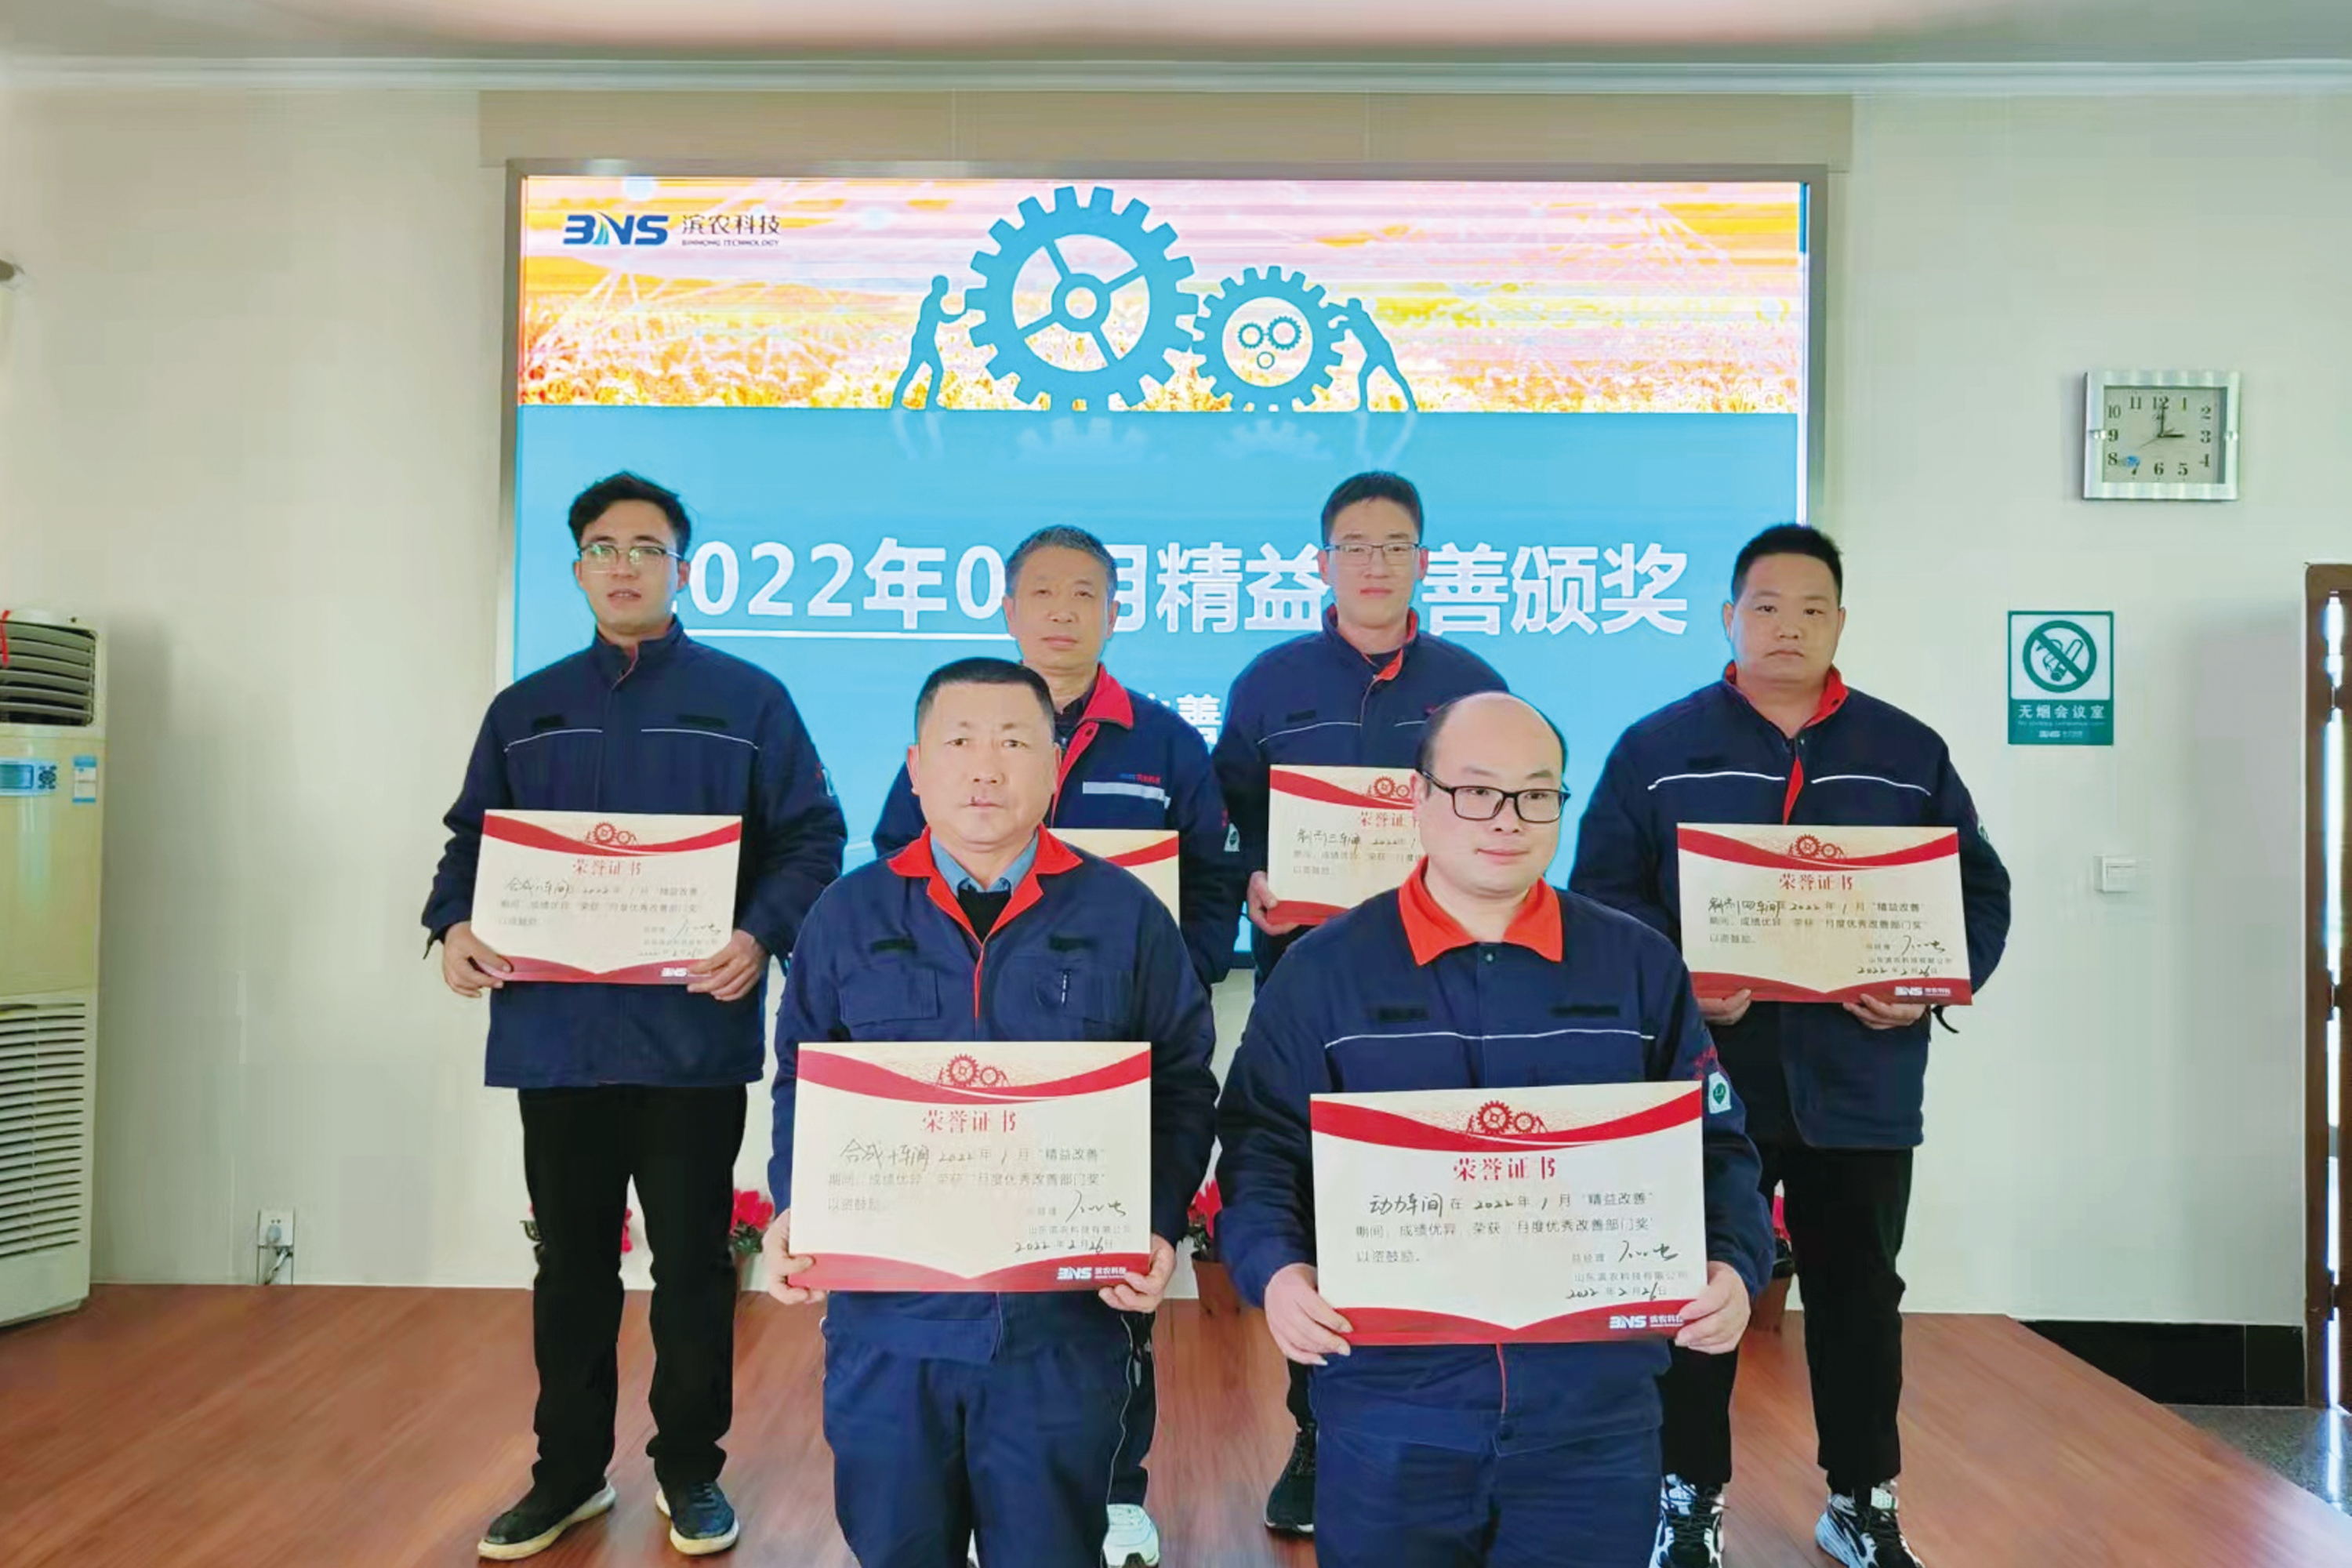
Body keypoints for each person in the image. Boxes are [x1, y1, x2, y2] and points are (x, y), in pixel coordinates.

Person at [1214, 691, 1773, 1568]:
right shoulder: (1324, 970)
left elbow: (1716, 1147)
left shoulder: (1637, 964)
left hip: (1594, 1418)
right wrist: (1276, 1273)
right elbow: (1260, 1148)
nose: (1507, 818)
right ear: (1418, 797)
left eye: (1536, 793)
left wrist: (1735, 1265)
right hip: (1391, 1407)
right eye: (1476, 790)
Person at [1569, 524, 2012, 1568]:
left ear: (1840, 623)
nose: (1788, 627)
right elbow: (1603, 896)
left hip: (1862, 1080)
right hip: (1708, 1080)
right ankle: (1687, 1497)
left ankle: (1861, 1498)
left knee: (1861, 1294)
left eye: (1813, 609)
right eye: (1766, 606)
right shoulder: (1656, 749)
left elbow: (1977, 894)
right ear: (1729, 617)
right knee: (1695, 1290)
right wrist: (1681, 987)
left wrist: (1925, 986)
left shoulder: (1907, 753)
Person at [424, 472, 846, 1561]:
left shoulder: (748, 701)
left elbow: (813, 836)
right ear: (577, 568)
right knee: (570, 1265)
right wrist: (453, 924)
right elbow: (471, 839)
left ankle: (690, 1470)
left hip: (689, 1037)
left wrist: (758, 933)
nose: (624, 565)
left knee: (694, 1265)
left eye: (646, 548)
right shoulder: (526, 709)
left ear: (682, 567)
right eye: (603, 547)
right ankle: (566, 1474)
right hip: (557, 1036)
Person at [762, 658, 1220, 1568]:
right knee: (897, 1542)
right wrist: (796, 1206)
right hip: (890, 1327)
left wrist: (1156, 1219)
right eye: (959, 741)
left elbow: (1180, 1080)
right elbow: (802, 1080)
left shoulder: (1125, 914)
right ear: (915, 766)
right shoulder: (847, 914)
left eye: (1014, 742)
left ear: (1053, 768)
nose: (985, 766)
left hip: (1059, 1326)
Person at [869, 525, 1237, 1568]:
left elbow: (1213, 875)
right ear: (1008, 607)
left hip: (1106, 1057)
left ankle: (1113, 1489)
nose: (1063, 611)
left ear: (1116, 610)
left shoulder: (1165, 740)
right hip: (957, 1065)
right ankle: (971, 1492)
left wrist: (1170, 969)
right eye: (1041, 592)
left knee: (1108, 1289)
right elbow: (896, 859)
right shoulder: (955, 733)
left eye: (1085, 593)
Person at [1210, 469, 1506, 1534]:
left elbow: (1505, 815)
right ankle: (1317, 1432)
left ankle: (1459, 1432)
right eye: (1354, 546)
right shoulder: (1270, 681)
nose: (1374, 564)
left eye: (1394, 546)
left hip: (1453, 996)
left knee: (1444, 1206)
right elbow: (1224, 818)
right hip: (1313, 994)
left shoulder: (1473, 686)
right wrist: (1249, 873)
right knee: (1318, 1212)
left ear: (1423, 561)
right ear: (1322, 562)